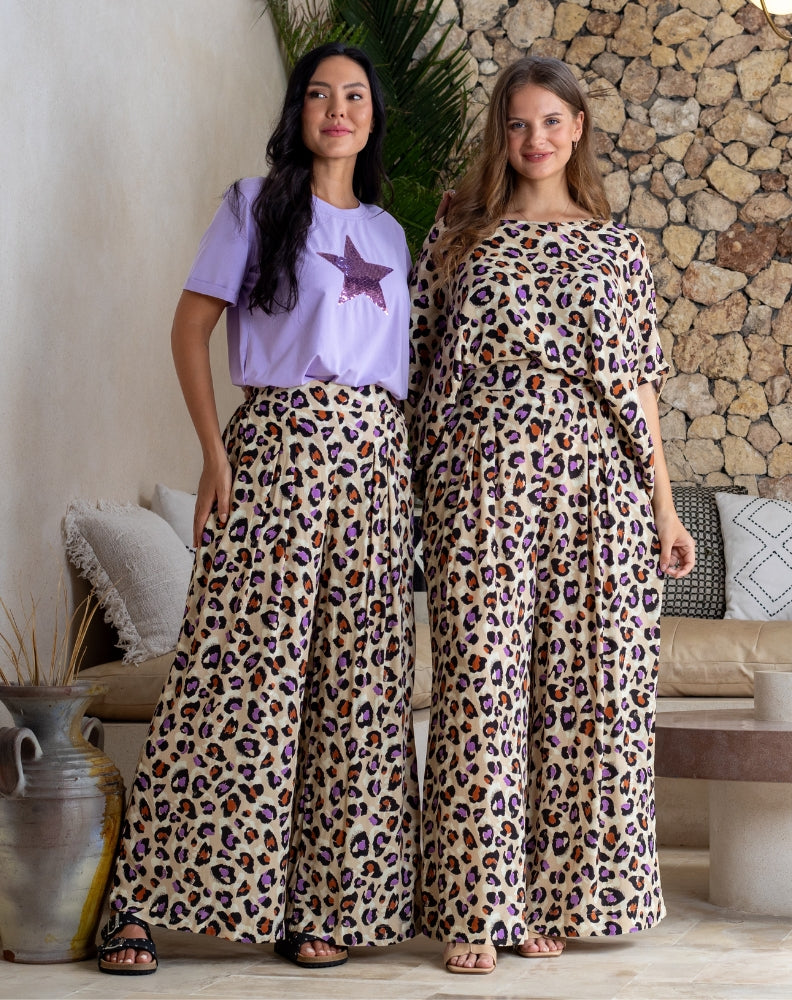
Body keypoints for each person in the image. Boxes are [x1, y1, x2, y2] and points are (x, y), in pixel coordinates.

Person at [97, 41, 420, 976]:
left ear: (371, 117)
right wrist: (211, 454)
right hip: (277, 448)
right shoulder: (255, 203)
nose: (337, 109)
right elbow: (189, 328)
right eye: (319, 94)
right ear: (299, 112)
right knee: (238, 679)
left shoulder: (393, 236)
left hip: (376, 466)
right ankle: (142, 904)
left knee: (353, 690)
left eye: (354, 95)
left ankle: (317, 905)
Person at [406, 55, 695, 975]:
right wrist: (413, 490)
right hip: (483, 475)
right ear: (504, 133)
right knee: (482, 688)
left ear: (578, 128)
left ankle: (552, 895)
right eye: (519, 124)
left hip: (602, 484)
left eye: (551, 123)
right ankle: (472, 903)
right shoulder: (458, 232)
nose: (535, 140)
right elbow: (416, 367)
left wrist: (665, 508)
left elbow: (639, 386)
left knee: (583, 696)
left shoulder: (618, 247)